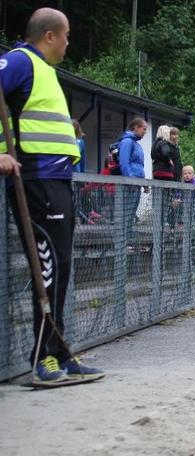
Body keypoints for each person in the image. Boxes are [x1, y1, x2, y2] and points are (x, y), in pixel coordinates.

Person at [0, 7, 104, 383]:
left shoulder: (44, 70)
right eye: (67, 35)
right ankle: (43, 358)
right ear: (49, 35)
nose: (68, 42)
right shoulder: (18, 62)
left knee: (59, 266)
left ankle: (58, 351)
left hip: (55, 179)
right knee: (48, 268)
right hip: (36, 180)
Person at [152, 125, 182, 228]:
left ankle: (172, 223)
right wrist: (168, 160)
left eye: (176, 134)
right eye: (172, 134)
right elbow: (164, 154)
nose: (175, 136)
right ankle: (165, 222)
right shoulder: (165, 144)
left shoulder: (175, 147)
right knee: (166, 201)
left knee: (172, 201)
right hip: (170, 176)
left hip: (175, 176)